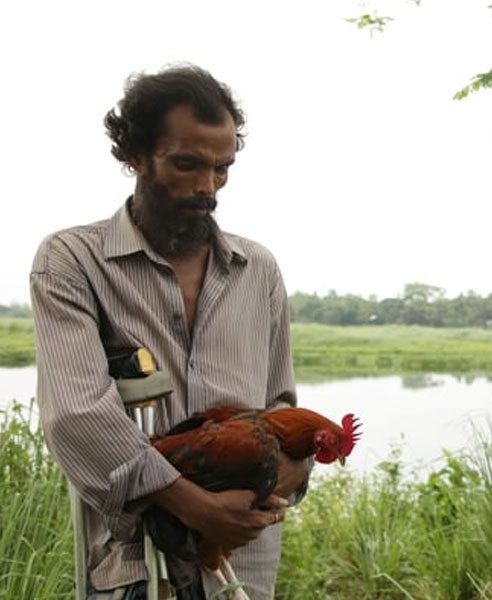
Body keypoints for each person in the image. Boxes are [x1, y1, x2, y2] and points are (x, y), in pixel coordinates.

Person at [31, 64, 311, 599]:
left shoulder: (259, 270)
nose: (207, 187)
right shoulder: (72, 261)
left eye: (222, 168)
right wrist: (196, 505)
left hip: (242, 564)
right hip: (139, 564)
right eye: (186, 164)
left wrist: (272, 487)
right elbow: (76, 415)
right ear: (135, 155)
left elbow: (279, 409)